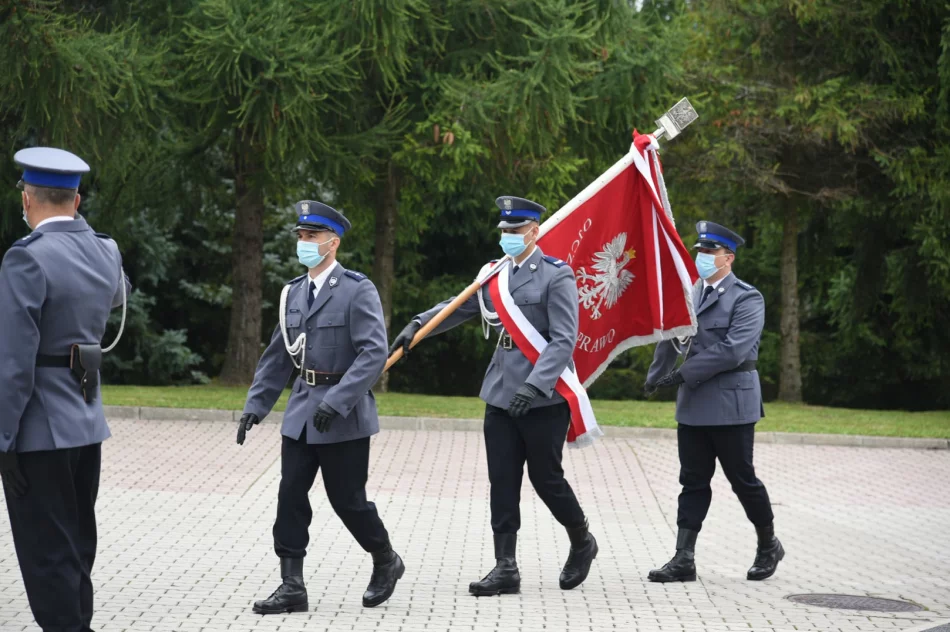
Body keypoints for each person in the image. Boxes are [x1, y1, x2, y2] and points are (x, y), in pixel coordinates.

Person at [390, 196, 597, 597]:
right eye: (504, 231)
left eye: (516, 231)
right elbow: (458, 307)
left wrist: (535, 385)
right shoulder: (493, 274)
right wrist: (416, 327)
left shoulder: (557, 275)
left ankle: (581, 540)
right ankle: (506, 566)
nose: (508, 238)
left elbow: (563, 339)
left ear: (535, 232)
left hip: (544, 396)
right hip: (501, 391)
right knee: (501, 480)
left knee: (546, 478)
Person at [237, 200, 403, 614]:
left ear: (333, 243)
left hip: (343, 415)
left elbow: (372, 353)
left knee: (347, 500)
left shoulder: (357, 289)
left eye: (311, 237)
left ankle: (385, 558)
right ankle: (292, 586)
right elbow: (278, 356)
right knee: (290, 495)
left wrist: (338, 400)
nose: (303, 243)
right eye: (300, 236)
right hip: (301, 412)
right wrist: (255, 406)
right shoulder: (292, 293)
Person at [0, 147, 130, 632]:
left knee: (46, 555)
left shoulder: (26, 258)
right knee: (77, 546)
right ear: (77, 199)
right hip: (86, 419)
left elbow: (13, 364)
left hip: (36, 429)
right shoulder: (105, 248)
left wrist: (2, 438)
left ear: (27, 200)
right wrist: (82, 231)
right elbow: (119, 294)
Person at [644, 220, 784, 583]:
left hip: (731, 403)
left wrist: (682, 374)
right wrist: (656, 374)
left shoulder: (747, 297)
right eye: (700, 252)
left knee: (742, 479)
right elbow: (669, 334)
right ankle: (683, 558)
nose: (703, 258)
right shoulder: (690, 293)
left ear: (729, 258)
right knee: (692, 480)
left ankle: (768, 544)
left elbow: (734, 349)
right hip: (693, 404)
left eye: (710, 253)